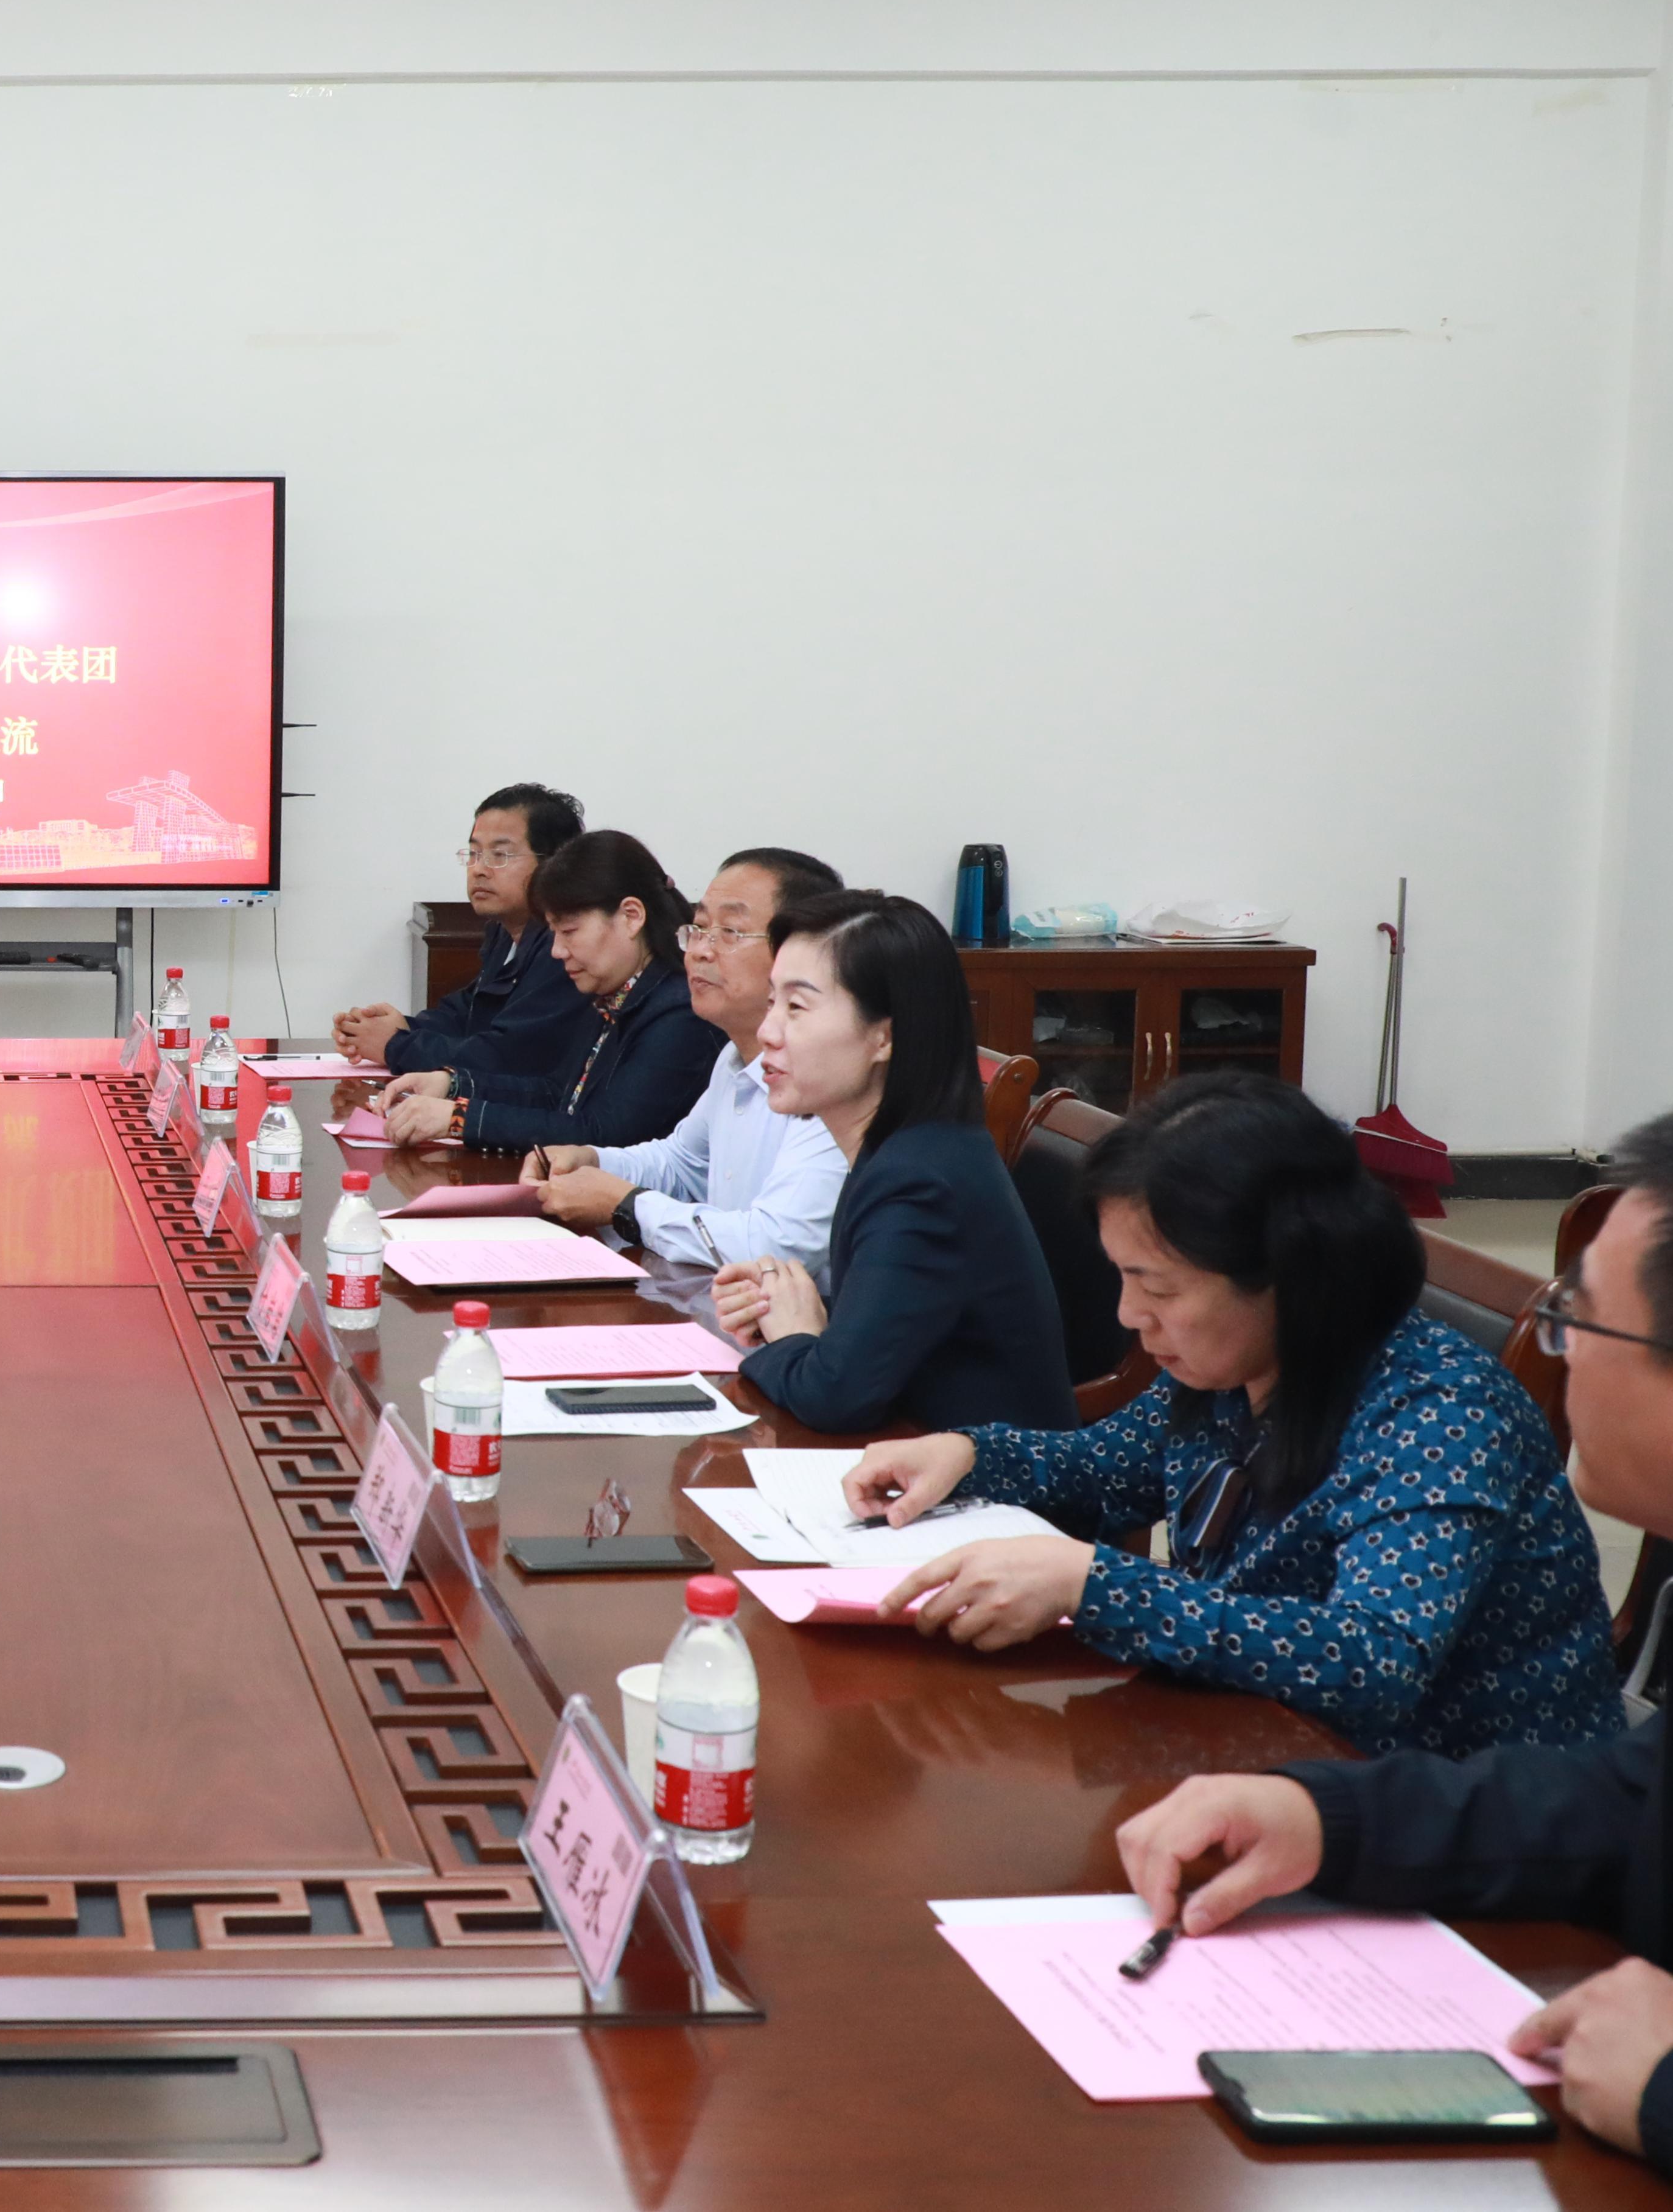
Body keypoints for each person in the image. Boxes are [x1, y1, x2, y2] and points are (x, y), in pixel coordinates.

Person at [1112, 1114, 1673, 2175]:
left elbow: (1375, 1658)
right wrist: (1324, 1817)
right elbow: (1624, 1800)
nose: (1564, 1355)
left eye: (1579, 1318)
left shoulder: (1435, 1401)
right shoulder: (1232, 1381)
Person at [835, 1073, 1616, 1757]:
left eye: (1158, 1287)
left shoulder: (1439, 1413)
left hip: (1457, 1822)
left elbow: (1372, 1660)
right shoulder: (1234, 1364)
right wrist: (968, 1453)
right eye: (1121, 1277)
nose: (1128, 1314)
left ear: (1284, 1273)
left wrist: (1095, 1586)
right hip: (1253, 1755)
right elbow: (1109, 1465)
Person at [714, 889, 1071, 1432]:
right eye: (770, 1002)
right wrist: (784, 1309)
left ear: (884, 1037)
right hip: (913, 1446)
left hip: (989, 1477)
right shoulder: (911, 1145)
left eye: (796, 1007)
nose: (767, 1032)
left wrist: (794, 1339)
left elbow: (835, 1395)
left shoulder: (919, 1181)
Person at [527, 846, 849, 1276]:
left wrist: (626, 1206)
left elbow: (776, 1246)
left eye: (730, 932)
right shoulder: (734, 1057)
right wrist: (593, 1161)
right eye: (697, 929)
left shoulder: (833, 1079)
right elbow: (683, 1163)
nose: (699, 951)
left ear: (800, 953)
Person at [374, 830, 726, 1154]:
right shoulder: (614, 994)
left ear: (631, 916)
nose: (557, 951)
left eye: (569, 931)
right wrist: (452, 1085)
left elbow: (605, 1134)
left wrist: (460, 1119)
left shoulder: (681, 1013)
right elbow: (558, 1094)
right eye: (553, 933)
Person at [332, 783, 591, 1079]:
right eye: (474, 853)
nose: (478, 869)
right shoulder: (504, 933)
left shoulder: (563, 949)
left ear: (553, 863)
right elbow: (466, 1016)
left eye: (500, 855)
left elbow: (507, 1057)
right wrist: (400, 1028)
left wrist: (395, 1046)